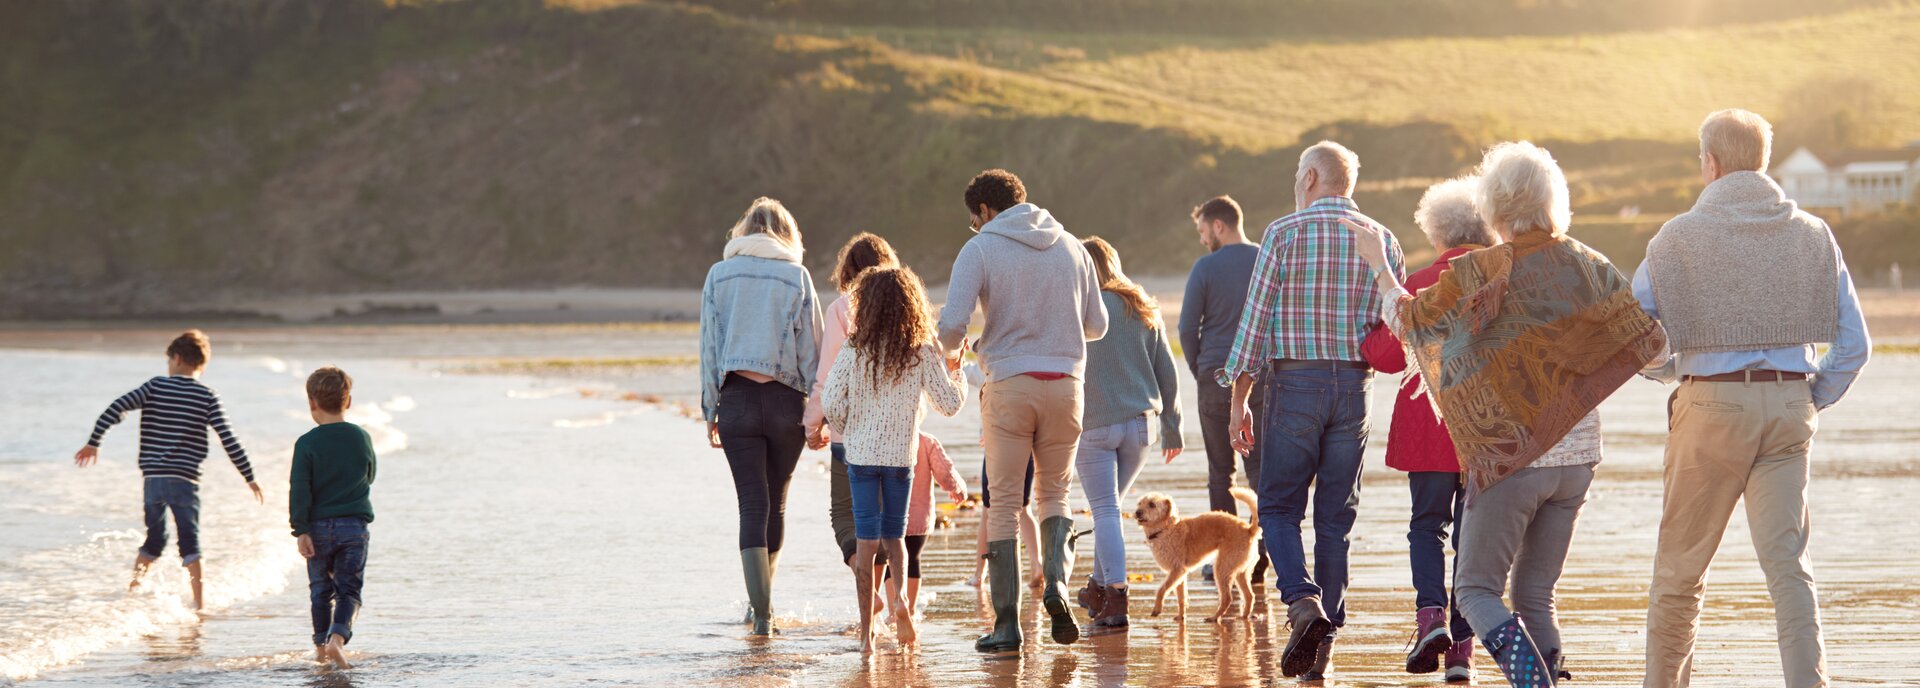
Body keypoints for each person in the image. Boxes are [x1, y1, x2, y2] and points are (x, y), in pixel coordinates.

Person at [1345, 141, 1667, 687]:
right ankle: (1552, 678)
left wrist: (1379, 266)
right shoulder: (1590, 264)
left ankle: (1532, 680)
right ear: (1554, 200)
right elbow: (1653, 348)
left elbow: (1409, 322)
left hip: (1512, 457)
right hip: (1580, 456)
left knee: (1474, 591)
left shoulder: (1480, 270)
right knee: (1535, 593)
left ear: (1493, 205)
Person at [1637, 109, 1869, 688]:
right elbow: (1855, 345)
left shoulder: (1676, 236)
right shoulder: (1814, 233)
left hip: (1709, 408)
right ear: (1762, 161)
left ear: (1710, 163)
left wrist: (1670, 371)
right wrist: (1810, 396)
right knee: (1790, 571)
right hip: (1790, 405)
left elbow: (1632, 334)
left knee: (1680, 572)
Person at [1216, 141, 1404, 679]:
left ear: (1313, 177)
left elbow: (1253, 327)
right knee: (1335, 521)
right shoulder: (1382, 238)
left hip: (1295, 382)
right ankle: (1322, 646)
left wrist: (1238, 401)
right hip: (1354, 387)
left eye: (1299, 173)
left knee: (1277, 508)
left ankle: (1302, 603)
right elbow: (1394, 325)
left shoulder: (1283, 232)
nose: (1296, 182)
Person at [936, 168, 1107, 651]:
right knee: (1054, 496)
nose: (975, 227)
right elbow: (1097, 325)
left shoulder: (981, 248)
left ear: (985, 211)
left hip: (1009, 385)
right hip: (1068, 386)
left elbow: (952, 327)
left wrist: (950, 352)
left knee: (1006, 505)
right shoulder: (1072, 246)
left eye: (975, 220)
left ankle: (1007, 625)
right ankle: (1054, 584)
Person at [1357, 177, 1498, 682]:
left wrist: (1369, 330)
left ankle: (1430, 617)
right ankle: (1462, 649)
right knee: (1472, 535)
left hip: (1429, 426)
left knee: (1426, 526)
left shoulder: (1417, 284)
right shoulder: (1501, 278)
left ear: (1437, 233)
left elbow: (1386, 357)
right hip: (1486, 426)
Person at [822, 266, 968, 654]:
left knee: (867, 542)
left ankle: (867, 636)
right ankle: (901, 600)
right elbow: (950, 404)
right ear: (911, 306)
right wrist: (957, 372)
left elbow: (830, 401)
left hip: (861, 458)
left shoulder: (855, 349)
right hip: (901, 459)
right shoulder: (920, 350)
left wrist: (848, 427)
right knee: (896, 538)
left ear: (865, 305)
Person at [698, 196, 824, 637]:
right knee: (777, 502)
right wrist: (817, 411)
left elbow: (709, 349)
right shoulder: (797, 275)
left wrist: (709, 407)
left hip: (737, 401)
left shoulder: (719, 274)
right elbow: (812, 350)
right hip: (787, 401)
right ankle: (764, 605)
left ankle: (762, 614)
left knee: (752, 503)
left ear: (743, 231)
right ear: (787, 232)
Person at [73, 329, 265, 611]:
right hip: (185, 480)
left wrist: (94, 442)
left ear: (175, 358)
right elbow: (228, 438)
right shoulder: (207, 396)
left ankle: (132, 592)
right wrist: (250, 477)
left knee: (155, 538)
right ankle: (199, 605)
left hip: (153, 479)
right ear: (201, 363)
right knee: (190, 540)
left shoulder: (154, 387)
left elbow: (115, 408)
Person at [1074, 237, 1183, 632]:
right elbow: (1167, 371)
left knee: (1105, 511)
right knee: (1110, 510)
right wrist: (1173, 426)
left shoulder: (1078, 308)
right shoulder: (1141, 306)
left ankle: (1114, 598)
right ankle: (1097, 587)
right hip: (1141, 427)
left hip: (1095, 425)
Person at [804, 233, 901, 604]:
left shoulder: (842, 309)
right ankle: (892, 601)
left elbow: (826, 377)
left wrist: (814, 425)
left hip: (851, 433)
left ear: (848, 270)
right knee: (889, 520)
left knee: (847, 517)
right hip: (897, 433)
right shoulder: (906, 307)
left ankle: (868, 591)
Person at [1178, 195, 1268, 587]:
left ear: (1218, 225)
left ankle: (1225, 560)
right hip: (1263, 376)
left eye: (1202, 231)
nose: (1202, 240)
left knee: (1220, 471)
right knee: (1261, 469)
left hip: (1216, 375)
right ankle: (1267, 552)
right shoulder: (1266, 258)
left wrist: (1200, 367)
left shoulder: (1206, 267)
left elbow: (1185, 328)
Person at [289, 366, 377, 670]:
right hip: (354, 527)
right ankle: (337, 641)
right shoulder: (360, 437)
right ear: (348, 401)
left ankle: (320, 648)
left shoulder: (306, 443)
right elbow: (370, 475)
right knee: (348, 591)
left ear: (312, 402)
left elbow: (299, 489)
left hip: (317, 529)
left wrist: (300, 529)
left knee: (319, 592)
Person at [882, 432, 967, 619]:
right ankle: (910, 611)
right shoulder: (926, 441)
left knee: (891, 560)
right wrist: (957, 487)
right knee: (913, 559)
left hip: (889, 514)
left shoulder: (885, 437)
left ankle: (894, 611)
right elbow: (945, 471)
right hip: (919, 517)